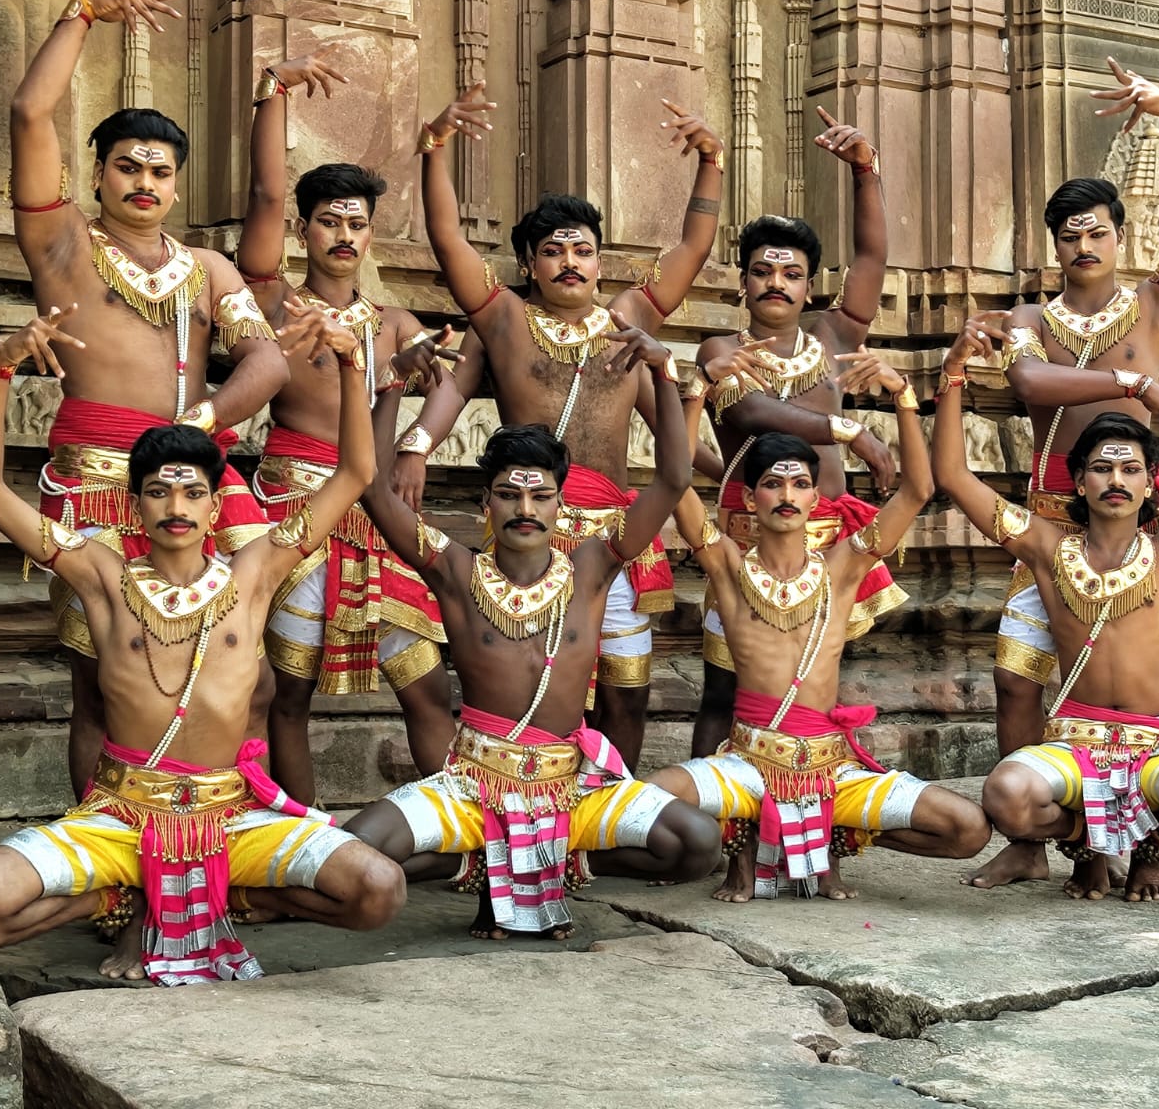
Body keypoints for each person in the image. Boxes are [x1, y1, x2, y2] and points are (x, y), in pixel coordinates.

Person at [0, 305, 404, 984]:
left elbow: (356, 475)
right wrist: (0, 370)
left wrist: (353, 363)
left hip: (231, 814)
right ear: (136, 510)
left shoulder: (255, 573)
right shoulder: (100, 576)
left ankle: (210, 892)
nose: (177, 507)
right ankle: (134, 894)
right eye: (158, 493)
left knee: (378, 890)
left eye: (193, 493)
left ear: (217, 509)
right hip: (125, 818)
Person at [346, 317, 722, 939]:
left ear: (559, 502)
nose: (524, 509)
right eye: (508, 495)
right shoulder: (455, 570)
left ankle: (555, 859)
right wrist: (392, 388)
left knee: (695, 842)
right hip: (474, 784)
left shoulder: (595, 565)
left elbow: (674, 480)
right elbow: (375, 490)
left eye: (539, 496)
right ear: (487, 503)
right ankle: (493, 861)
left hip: (569, 788)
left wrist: (664, 372)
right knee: (361, 847)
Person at [386, 81, 725, 768]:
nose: (570, 262)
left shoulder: (632, 316)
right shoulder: (503, 319)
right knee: (534, 679)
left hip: (616, 533)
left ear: (600, 260)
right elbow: (447, 237)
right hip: (532, 525)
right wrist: (434, 148)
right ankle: (523, 798)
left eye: (583, 250)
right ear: (528, 263)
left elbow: (694, 244)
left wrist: (711, 162)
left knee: (628, 689)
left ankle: (604, 812)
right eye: (553, 251)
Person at [5, 0, 288, 799]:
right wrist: (82, 13)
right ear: (96, 175)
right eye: (127, 165)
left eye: (160, 171)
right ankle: (110, 858)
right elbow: (30, 113)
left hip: (202, 474)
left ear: (176, 186)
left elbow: (265, 364)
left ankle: (230, 828)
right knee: (102, 681)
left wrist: (201, 422)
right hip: (99, 479)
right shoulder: (61, 241)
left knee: (253, 676)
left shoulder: (207, 268)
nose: (144, 180)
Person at [966, 58, 1159, 890]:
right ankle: (1032, 838)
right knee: (1016, 676)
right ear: (1055, 245)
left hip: (1134, 529)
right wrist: (1135, 381)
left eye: (1096, 231)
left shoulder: (1154, 305)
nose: (1083, 245)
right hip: (1049, 522)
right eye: (1069, 234)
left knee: (1122, 682)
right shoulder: (1027, 321)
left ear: (1119, 236)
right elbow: (1030, 385)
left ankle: (1141, 837)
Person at [933, 311, 1159, 901]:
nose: (1115, 479)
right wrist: (954, 372)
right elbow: (952, 474)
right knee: (1006, 797)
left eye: (1129, 469)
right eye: (1101, 468)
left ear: (1149, 484)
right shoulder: (1044, 547)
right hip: (1074, 741)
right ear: (1080, 483)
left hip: (1153, 742)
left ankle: (1149, 851)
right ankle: (1086, 847)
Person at [649, 378, 988, 902]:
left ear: (815, 495)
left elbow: (918, 490)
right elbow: (674, 482)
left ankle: (835, 835)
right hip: (747, 766)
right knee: (647, 802)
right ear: (748, 497)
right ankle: (745, 843)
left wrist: (902, 398)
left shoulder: (844, 567)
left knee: (968, 829)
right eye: (773, 484)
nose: (787, 496)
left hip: (831, 769)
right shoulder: (727, 567)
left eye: (800, 484)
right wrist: (694, 393)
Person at [233, 49, 456, 796]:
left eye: (357, 224)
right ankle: (299, 836)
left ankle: (463, 836)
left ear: (370, 234)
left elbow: (447, 377)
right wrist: (274, 96)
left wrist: (417, 443)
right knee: (287, 695)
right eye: (329, 222)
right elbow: (265, 194)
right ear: (305, 231)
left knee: (426, 688)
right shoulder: (271, 305)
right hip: (294, 506)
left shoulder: (393, 322)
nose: (344, 237)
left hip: (378, 515)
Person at [690, 107, 906, 766]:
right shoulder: (720, 347)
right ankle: (713, 814)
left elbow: (872, 256)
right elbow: (751, 415)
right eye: (762, 271)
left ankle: (804, 803)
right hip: (745, 540)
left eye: (790, 273)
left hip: (827, 541)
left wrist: (866, 170)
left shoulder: (834, 339)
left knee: (812, 680)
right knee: (726, 686)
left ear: (809, 284)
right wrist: (852, 432)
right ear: (742, 282)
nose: (776, 283)